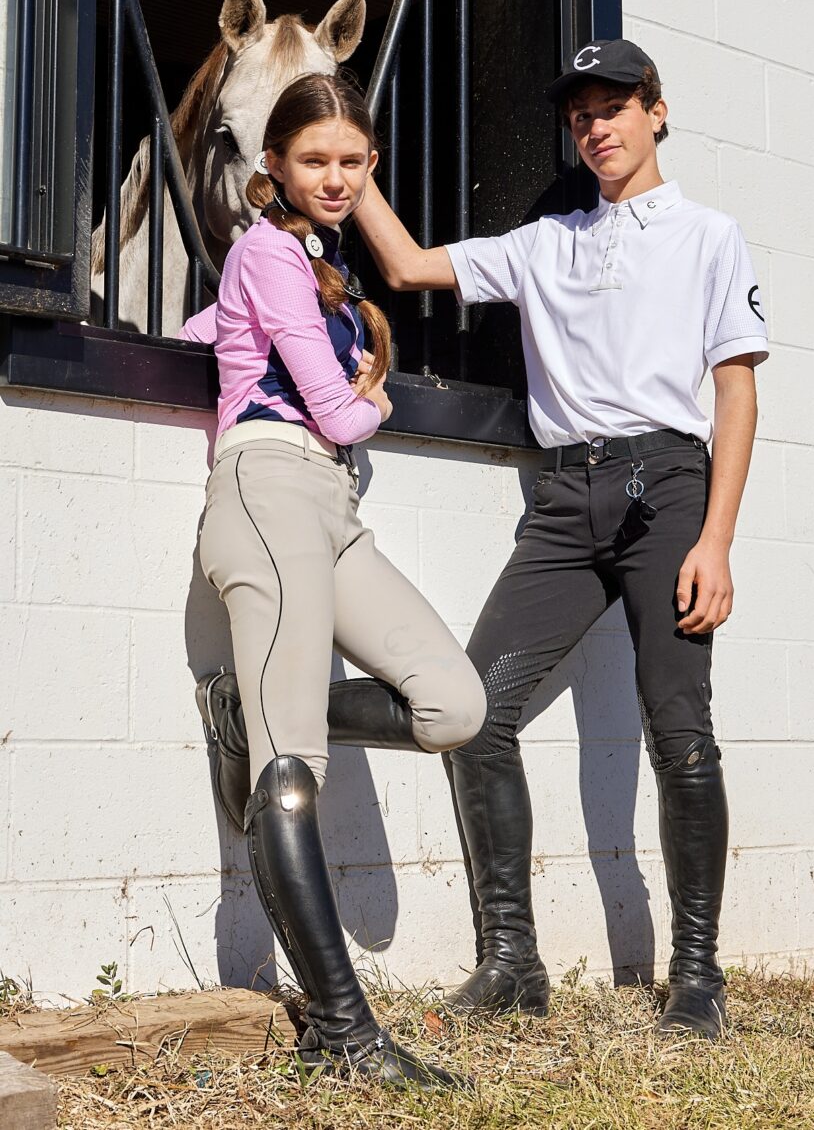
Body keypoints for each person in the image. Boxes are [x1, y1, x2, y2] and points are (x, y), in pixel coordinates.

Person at [350, 39, 768, 1040]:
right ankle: (514, 966)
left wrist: (717, 538)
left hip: (667, 489)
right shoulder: (545, 244)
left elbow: (738, 390)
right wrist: (353, 169)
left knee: (679, 729)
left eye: (616, 105)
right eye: (581, 113)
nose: (598, 126)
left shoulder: (709, 236)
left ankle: (697, 977)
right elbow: (408, 266)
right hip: (561, 499)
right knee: (475, 710)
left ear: (656, 113)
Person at [186, 71, 486, 1089]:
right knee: (294, 770)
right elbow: (331, 407)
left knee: (454, 703)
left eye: (354, 162)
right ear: (271, 163)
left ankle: (245, 711)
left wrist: (218, 337)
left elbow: (231, 336)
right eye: (315, 159)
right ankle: (345, 1032)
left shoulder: (313, 264)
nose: (336, 177)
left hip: (333, 511)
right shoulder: (268, 249)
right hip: (269, 492)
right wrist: (376, 405)